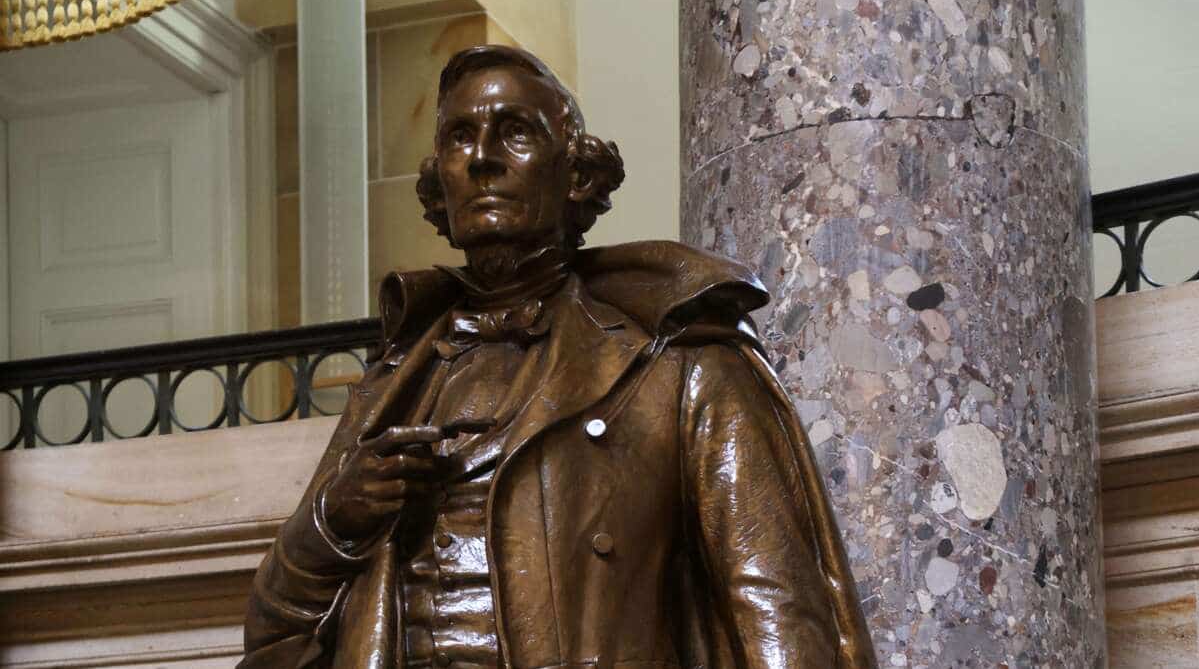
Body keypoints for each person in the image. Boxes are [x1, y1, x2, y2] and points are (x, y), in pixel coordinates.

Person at [240, 45, 875, 668]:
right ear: (439, 182)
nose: (482, 159)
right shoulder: (396, 382)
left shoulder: (680, 366)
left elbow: (776, 609)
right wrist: (333, 524)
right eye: (460, 138)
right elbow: (273, 634)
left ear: (576, 174)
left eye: (514, 133)